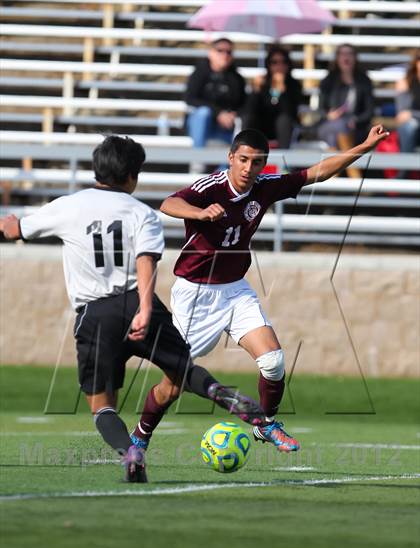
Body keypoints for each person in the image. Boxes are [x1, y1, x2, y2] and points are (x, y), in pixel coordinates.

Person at [0, 135, 264, 483]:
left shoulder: (69, 205)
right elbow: (146, 260)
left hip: (96, 314)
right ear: (133, 177)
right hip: (143, 306)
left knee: (102, 404)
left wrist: (9, 223)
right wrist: (143, 309)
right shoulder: (143, 213)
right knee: (181, 369)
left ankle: (130, 452)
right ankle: (218, 392)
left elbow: (16, 230)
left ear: (97, 168)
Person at [160, 125, 389, 452]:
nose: (248, 168)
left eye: (256, 163)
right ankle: (141, 434)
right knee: (173, 384)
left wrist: (365, 145)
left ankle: (265, 424)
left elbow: (317, 172)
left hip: (235, 290)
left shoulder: (264, 187)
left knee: (273, 361)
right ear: (230, 158)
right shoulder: (209, 188)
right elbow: (168, 203)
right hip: (195, 293)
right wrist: (200, 212)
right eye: (243, 160)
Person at [317, 44, 374, 177]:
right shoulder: (328, 80)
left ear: (355, 58)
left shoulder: (364, 81)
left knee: (336, 135)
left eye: (349, 54)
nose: (346, 57)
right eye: (342, 54)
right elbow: (320, 110)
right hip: (328, 124)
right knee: (338, 126)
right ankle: (355, 175)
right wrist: (329, 115)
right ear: (337, 58)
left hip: (355, 128)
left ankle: (332, 180)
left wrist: (356, 120)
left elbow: (369, 111)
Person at [184, 38, 246, 149]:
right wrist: (218, 113)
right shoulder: (199, 73)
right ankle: (198, 160)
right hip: (200, 124)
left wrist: (232, 114)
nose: (225, 55)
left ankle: (225, 166)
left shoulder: (236, 78)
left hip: (225, 126)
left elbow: (242, 104)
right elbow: (190, 98)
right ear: (211, 53)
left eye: (229, 52)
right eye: (220, 50)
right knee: (203, 113)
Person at [243, 45, 303, 149]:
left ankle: (283, 159)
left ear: (288, 64)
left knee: (283, 120)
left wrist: (283, 92)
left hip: (284, 129)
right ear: (268, 65)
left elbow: (291, 112)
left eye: (283, 62)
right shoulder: (262, 82)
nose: (279, 66)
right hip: (261, 127)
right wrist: (256, 91)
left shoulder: (294, 85)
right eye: (274, 62)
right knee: (250, 118)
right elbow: (250, 109)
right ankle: (247, 153)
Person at [395, 49, 420, 172]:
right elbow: (402, 115)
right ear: (416, 62)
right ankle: (403, 172)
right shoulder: (405, 82)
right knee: (409, 126)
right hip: (413, 128)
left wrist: (413, 114)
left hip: (414, 121)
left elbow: (408, 113)